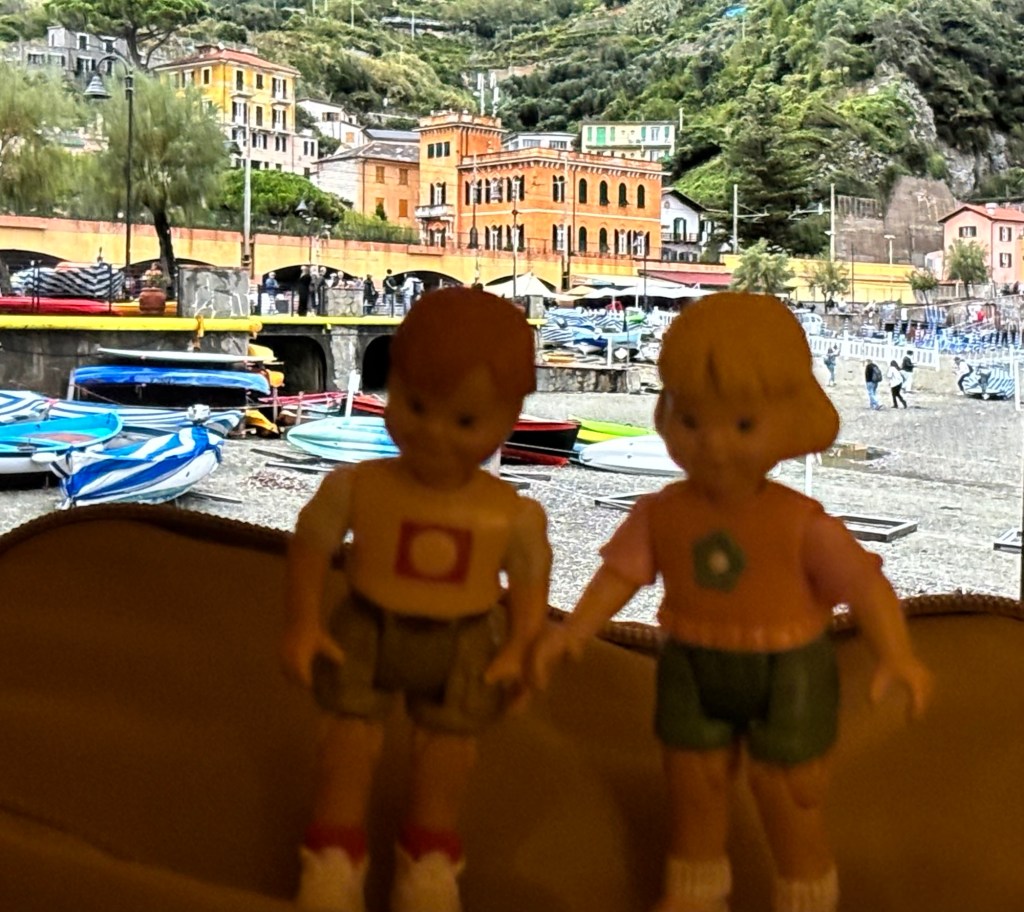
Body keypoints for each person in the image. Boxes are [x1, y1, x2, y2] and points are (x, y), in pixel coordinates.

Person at [531, 292, 932, 912]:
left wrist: (897, 654)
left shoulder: (801, 522)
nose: (713, 445)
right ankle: (695, 894)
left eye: (742, 425)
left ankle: (804, 894)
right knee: (693, 788)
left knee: (790, 794)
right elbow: (619, 575)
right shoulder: (662, 513)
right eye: (692, 420)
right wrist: (575, 630)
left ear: (792, 421)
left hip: (788, 670)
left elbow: (865, 585)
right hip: (691, 662)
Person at [280, 287, 552, 912]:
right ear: (392, 387)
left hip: (465, 640)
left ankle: (429, 856)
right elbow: (311, 546)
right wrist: (302, 623)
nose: (433, 432)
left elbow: (530, 580)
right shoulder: (355, 486)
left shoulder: (510, 513)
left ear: (511, 417)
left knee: (447, 755)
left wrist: (522, 645)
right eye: (414, 405)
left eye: (465, 421)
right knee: (347, 744)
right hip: (366, 625)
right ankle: (334, 852)